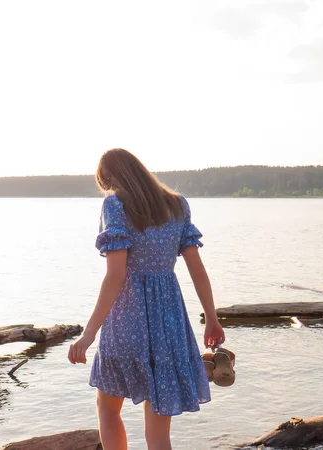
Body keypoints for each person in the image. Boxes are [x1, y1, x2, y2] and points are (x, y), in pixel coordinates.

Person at [68, 148, 225, 450]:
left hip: (128, 319)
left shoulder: (115, 205)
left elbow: (115, 276)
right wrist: (212, 319)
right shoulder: (178, 206)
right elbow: (198, 270)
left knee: (108, 409)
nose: (110, 190)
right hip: (170, 324)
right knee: (159, 435)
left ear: (109, 178)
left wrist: (88, 335)